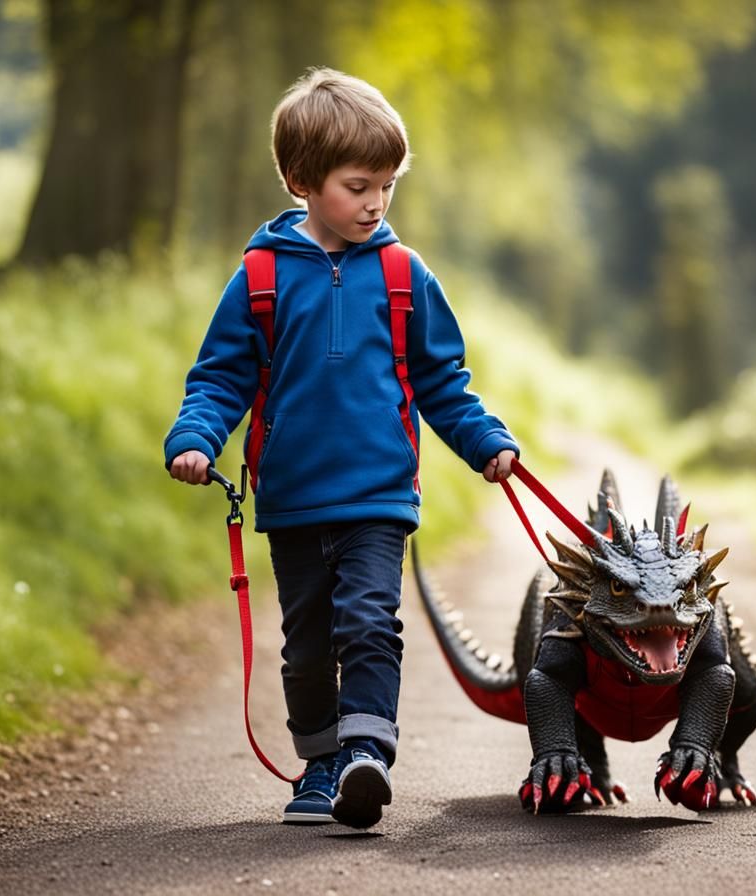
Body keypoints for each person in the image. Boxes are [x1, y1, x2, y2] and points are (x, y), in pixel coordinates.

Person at [164, 67, 518, 829]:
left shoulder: (402, 273)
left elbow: (441, 378)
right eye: (359, 186)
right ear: (301, 180)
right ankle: (320, 765)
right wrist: (195, 439)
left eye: (387, 186)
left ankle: (365, 754)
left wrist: (485, 441)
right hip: (291, 497)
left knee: (368, 620)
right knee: (306, 644)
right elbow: (220, 379)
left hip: (378, 495)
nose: (376, 203)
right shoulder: (259, 278)